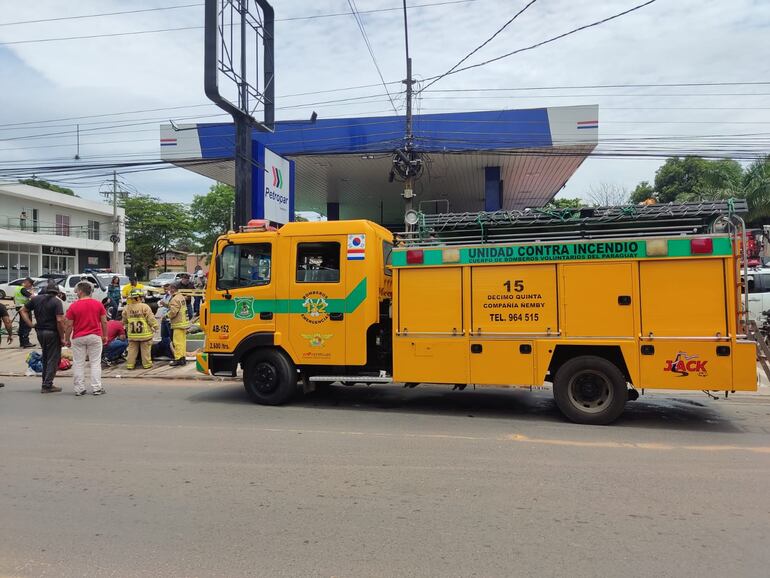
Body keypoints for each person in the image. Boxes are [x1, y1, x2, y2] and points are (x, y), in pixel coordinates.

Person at [20, 281, 66, 393]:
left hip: (40, 332)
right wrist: (62, 337)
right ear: (57, 292)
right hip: (52, 333)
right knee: (53, 359)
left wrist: (30, 324)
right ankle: (47, 385)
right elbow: (59, 321)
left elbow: (22, 311)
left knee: (46, 357)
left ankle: (45, 382)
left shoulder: (36, 299)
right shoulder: (56, 302)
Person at [64, 281, 107, 396]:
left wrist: (66, 339)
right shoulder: (98, 304)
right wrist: (105, 335)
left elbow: (69, 325)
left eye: (77, 291)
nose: (76, 293)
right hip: (95, 336)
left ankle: (79, 389)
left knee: (78, 363)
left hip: (78, 337)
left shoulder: (73, 306)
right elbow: (104, 321)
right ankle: (97, 388)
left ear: (81, 291)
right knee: (95, 363)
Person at [122, 289, 158, 370]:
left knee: (132, 350)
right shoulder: (144, 307)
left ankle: (130, 365)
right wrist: (156, 326)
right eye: (141, 297)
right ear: (138, 297)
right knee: (145, 350)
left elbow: (124, 321)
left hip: (132, 334)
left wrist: (127, 328)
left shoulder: (126, 308)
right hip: (145, 334)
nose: (142, 298)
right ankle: (147, 365)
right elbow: (150, 318)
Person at [166, 281, 189, 366]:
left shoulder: (174, 299)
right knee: (182, 342)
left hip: (178, 323)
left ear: (172, 289)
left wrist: (167, 316)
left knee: (177, 342)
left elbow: (173, 312)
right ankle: (183, 358)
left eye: (169, 289)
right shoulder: (181, 297)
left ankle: (178, 358)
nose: (169, 290)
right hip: (183, 322)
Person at [152, 282, 174, 360]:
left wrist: (164, 304)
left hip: (169, 319)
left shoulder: (172, 297)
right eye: (164, 289)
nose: (165, 291)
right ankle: (165, 350)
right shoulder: (165, 296)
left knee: (170, 338)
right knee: (163, 337)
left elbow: (171, 307)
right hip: (163, 318)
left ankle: (172, 352)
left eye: (167, 289)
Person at [14, 277, 35, 348]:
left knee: (22, 325)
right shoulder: (22, 289)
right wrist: (32, 291)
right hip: (24, 309)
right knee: (27, 325)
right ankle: (25, 342)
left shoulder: (17, 288)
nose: (30, 286)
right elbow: (32, 297)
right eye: (30, 285)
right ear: (27, 282)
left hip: (19, 307)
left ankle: (22, 342)